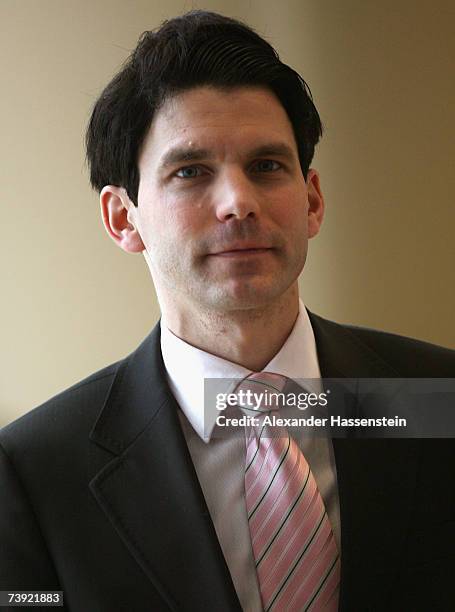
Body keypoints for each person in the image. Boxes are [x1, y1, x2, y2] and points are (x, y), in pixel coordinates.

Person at [1, 10, 454, 612]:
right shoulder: (33, 474)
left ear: (312, 201)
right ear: (122, 218)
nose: (239, 201)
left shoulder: (438, 399)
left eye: (267, 166)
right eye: (190, 172)